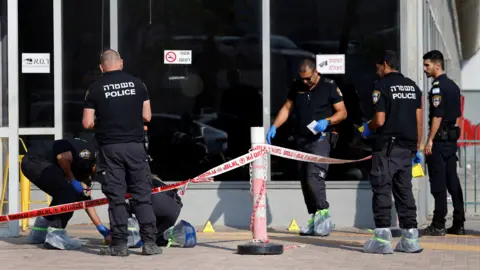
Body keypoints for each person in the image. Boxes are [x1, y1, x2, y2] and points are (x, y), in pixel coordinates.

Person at [82, 49, 161, 256]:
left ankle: (119, 245)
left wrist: (104, 123)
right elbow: (148, 117)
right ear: (121, 63)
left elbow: (87, 122)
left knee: (116, 197)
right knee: (142, 195)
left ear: (101, 67)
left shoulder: (95, 88)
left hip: (110, 149)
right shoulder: (138, 83)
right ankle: (150, 243)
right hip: (135, 147)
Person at [266, 58, 347, 236]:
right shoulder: (297, 86)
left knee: (314, 176)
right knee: (304, 178)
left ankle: (324, 214)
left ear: (316, 72)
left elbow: (342, 112)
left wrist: (327, 121)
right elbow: (287, 108)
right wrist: (275, 126)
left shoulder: (329, 86)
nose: (305, 82)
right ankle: (315, 215)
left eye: (308, 78)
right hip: (302, 139)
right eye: (302, 78)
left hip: (321, 138)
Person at [360, 50, 423, 254]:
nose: (376, 70)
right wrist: (417, 147)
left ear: (385, 64)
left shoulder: (381, 86)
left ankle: (382, 238)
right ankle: (410, 238)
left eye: (378, 66)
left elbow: (379, 120)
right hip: (407, 148)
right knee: (404, 191)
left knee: (382, 189)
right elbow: (419, 120)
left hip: (387, 147)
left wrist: (367, 127)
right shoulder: (413, 86)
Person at [21, 138, 110, 249]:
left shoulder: (85, 171)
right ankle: (56, 236)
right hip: (36, 162)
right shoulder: (88, 154)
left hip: (35, 164)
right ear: (95, 165)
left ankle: (39, 233)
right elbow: (62, 157)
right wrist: (72, 179)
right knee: (69, 194)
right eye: (96, 174)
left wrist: (101, 228)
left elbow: (86, 200)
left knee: (63, 196)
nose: (94, 178)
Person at [422, 50, 465, 236]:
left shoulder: (438, 87)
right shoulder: (453, 86)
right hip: (451, 140)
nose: (425, 69)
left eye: (427, 65)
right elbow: (457, 115)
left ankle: (438, 223)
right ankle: (459, 222)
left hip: (440, 141)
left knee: (438, 183)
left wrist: (429, 140)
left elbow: (437, 116)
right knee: (453, 182)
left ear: (437, 65)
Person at [126, 175, 184, 247]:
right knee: (158, 238)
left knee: (122, 206)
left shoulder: (139, 182)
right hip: (175, 207)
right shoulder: (160, 183)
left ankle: (127, 235)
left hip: (154, 201)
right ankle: (161, 238)